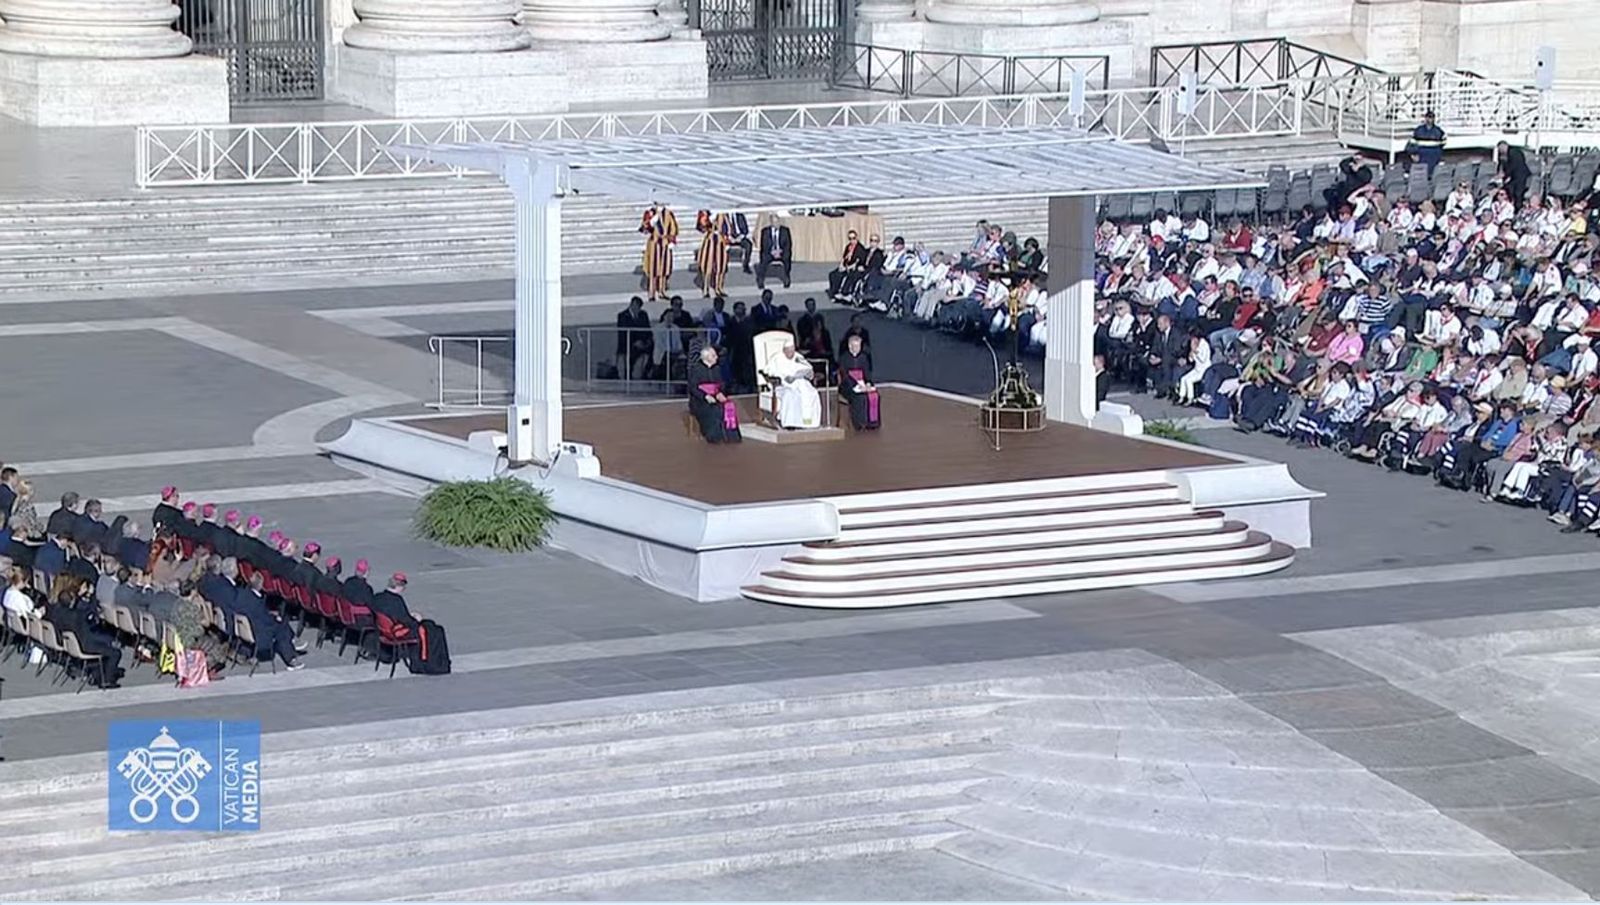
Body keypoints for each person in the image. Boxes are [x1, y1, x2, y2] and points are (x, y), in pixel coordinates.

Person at [233, 572, 305, 670]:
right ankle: (290, 659)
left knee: (279, 622)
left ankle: (292, 640)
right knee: (281, 628)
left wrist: (270, 615)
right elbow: (266, 621)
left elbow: (259, 615)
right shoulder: (257, 602)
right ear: (260, 585)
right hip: (259, 635)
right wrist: (275, 618)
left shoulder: (242, 595)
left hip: (246, 630)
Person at [688, 344, 742, 444]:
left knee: (728, 407)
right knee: (714, 410)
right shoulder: (696, 370)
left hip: (715, 397)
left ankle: (731, 437)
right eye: (713, 356)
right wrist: (705, 396)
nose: (716, 357)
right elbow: (693, 388)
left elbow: (721, 384)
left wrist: (719, 393)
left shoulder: (717, 369)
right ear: (706, 357)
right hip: (700, 401)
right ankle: (715, 436)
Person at [765, 340, 822, 430]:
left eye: (793, 350)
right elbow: (769, 372)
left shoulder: (798, 357)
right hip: (783, 386)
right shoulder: (777, 359)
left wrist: (807, 373)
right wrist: (787, 378)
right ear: (784, 350)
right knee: (791, 395)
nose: (791, 353)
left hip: (802, 384)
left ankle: (808, 422)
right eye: (789, 351)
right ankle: (789, 423)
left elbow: (808, 369)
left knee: (813, 394)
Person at [838, 333, 881, 430]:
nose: (858, 348)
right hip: (848, 385)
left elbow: (867, 373)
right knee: (860, 397)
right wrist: (856, 385)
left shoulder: (864, 357)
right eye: (855, 346)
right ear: (850, 346)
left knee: (874, 395)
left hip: (862, 384)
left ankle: (872, 423)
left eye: (859, 346)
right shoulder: (844, 358)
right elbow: (844, 375)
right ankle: (860, 424)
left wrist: (868, 383)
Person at [638, 202, 678, 301]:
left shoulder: (668, 213)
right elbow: (644, 229)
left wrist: (672, 240)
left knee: (664, 269)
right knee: (653, 269)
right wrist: (650, 223)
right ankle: (651, 293)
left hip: (665, 243)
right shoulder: (650, 213)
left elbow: (673, 229)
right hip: (654, 244)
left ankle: (662, 291)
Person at [694, 210, 733, 298]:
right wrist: (709, 221)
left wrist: (727, 238)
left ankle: (719, 287)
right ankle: (706, 288)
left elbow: (728, 226)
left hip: (721, 241)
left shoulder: (723, 213)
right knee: (707, 265)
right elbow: (701, 227)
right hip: (710, 240)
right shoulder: (705, 212)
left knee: (721, 266)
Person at [614, 296, 654, 380]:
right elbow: (623, 333)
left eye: (639, 306)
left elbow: (647, 329)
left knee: (652, 350)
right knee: (630, 356)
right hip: (628, 344)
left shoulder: (643, 314)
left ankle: (646, 373)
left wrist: (647, 341)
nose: (637, 308)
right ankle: (628, 375)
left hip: (643, 343)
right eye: (635, 305)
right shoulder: (623, 316)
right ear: (631, 304)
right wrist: (634, 342)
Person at [755, 218, 793, 290]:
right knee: (764, 258)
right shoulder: (765, 231)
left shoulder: (785, 231)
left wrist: (780, 251)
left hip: (781, 252)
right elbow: (764, 245)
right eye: (775, 222)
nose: (777, 224)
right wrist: (772, 252)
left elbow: (788, 245)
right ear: (771, 223)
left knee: (787, 256)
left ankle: (787, 277)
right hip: (770, 252)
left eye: (778, 222)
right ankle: (760, 279)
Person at [1409, 111, 1446, 177]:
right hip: (1421, 157)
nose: (1430, 119)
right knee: (1421, 175)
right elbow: (1412, 143)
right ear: (1425, 118)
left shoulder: (1439, 131)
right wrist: (1413, 154)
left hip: (1433, 157)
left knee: (1432, 175)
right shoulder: (1418, 130)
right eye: (1428, 117)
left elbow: (1443, 144)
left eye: (1431, 117)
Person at [1498, 141, 1532, 210]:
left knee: (1518, 193)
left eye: (1501, 148)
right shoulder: (1505, 155)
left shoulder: (1514, 153)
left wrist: (1506, 174)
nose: (1500, 150)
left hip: (1520, 176)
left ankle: (1518, 208)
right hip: (1514, 177)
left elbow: (1513, 165)